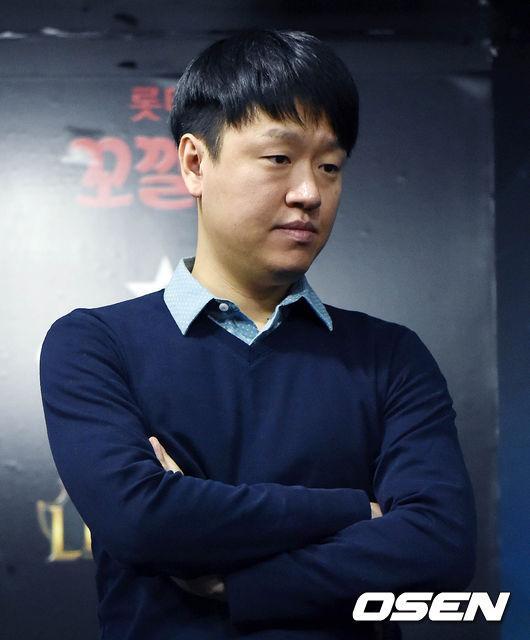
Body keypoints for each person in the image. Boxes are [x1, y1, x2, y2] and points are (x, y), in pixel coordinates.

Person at [39, 29, 476, 640]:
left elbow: (440, 544)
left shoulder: (389, 356)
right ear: (195, 163)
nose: (309, 193)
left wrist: (242, 584)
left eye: (330, 167)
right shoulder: (94, 345)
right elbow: (141, 521)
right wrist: (356, 509)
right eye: (278, 159)